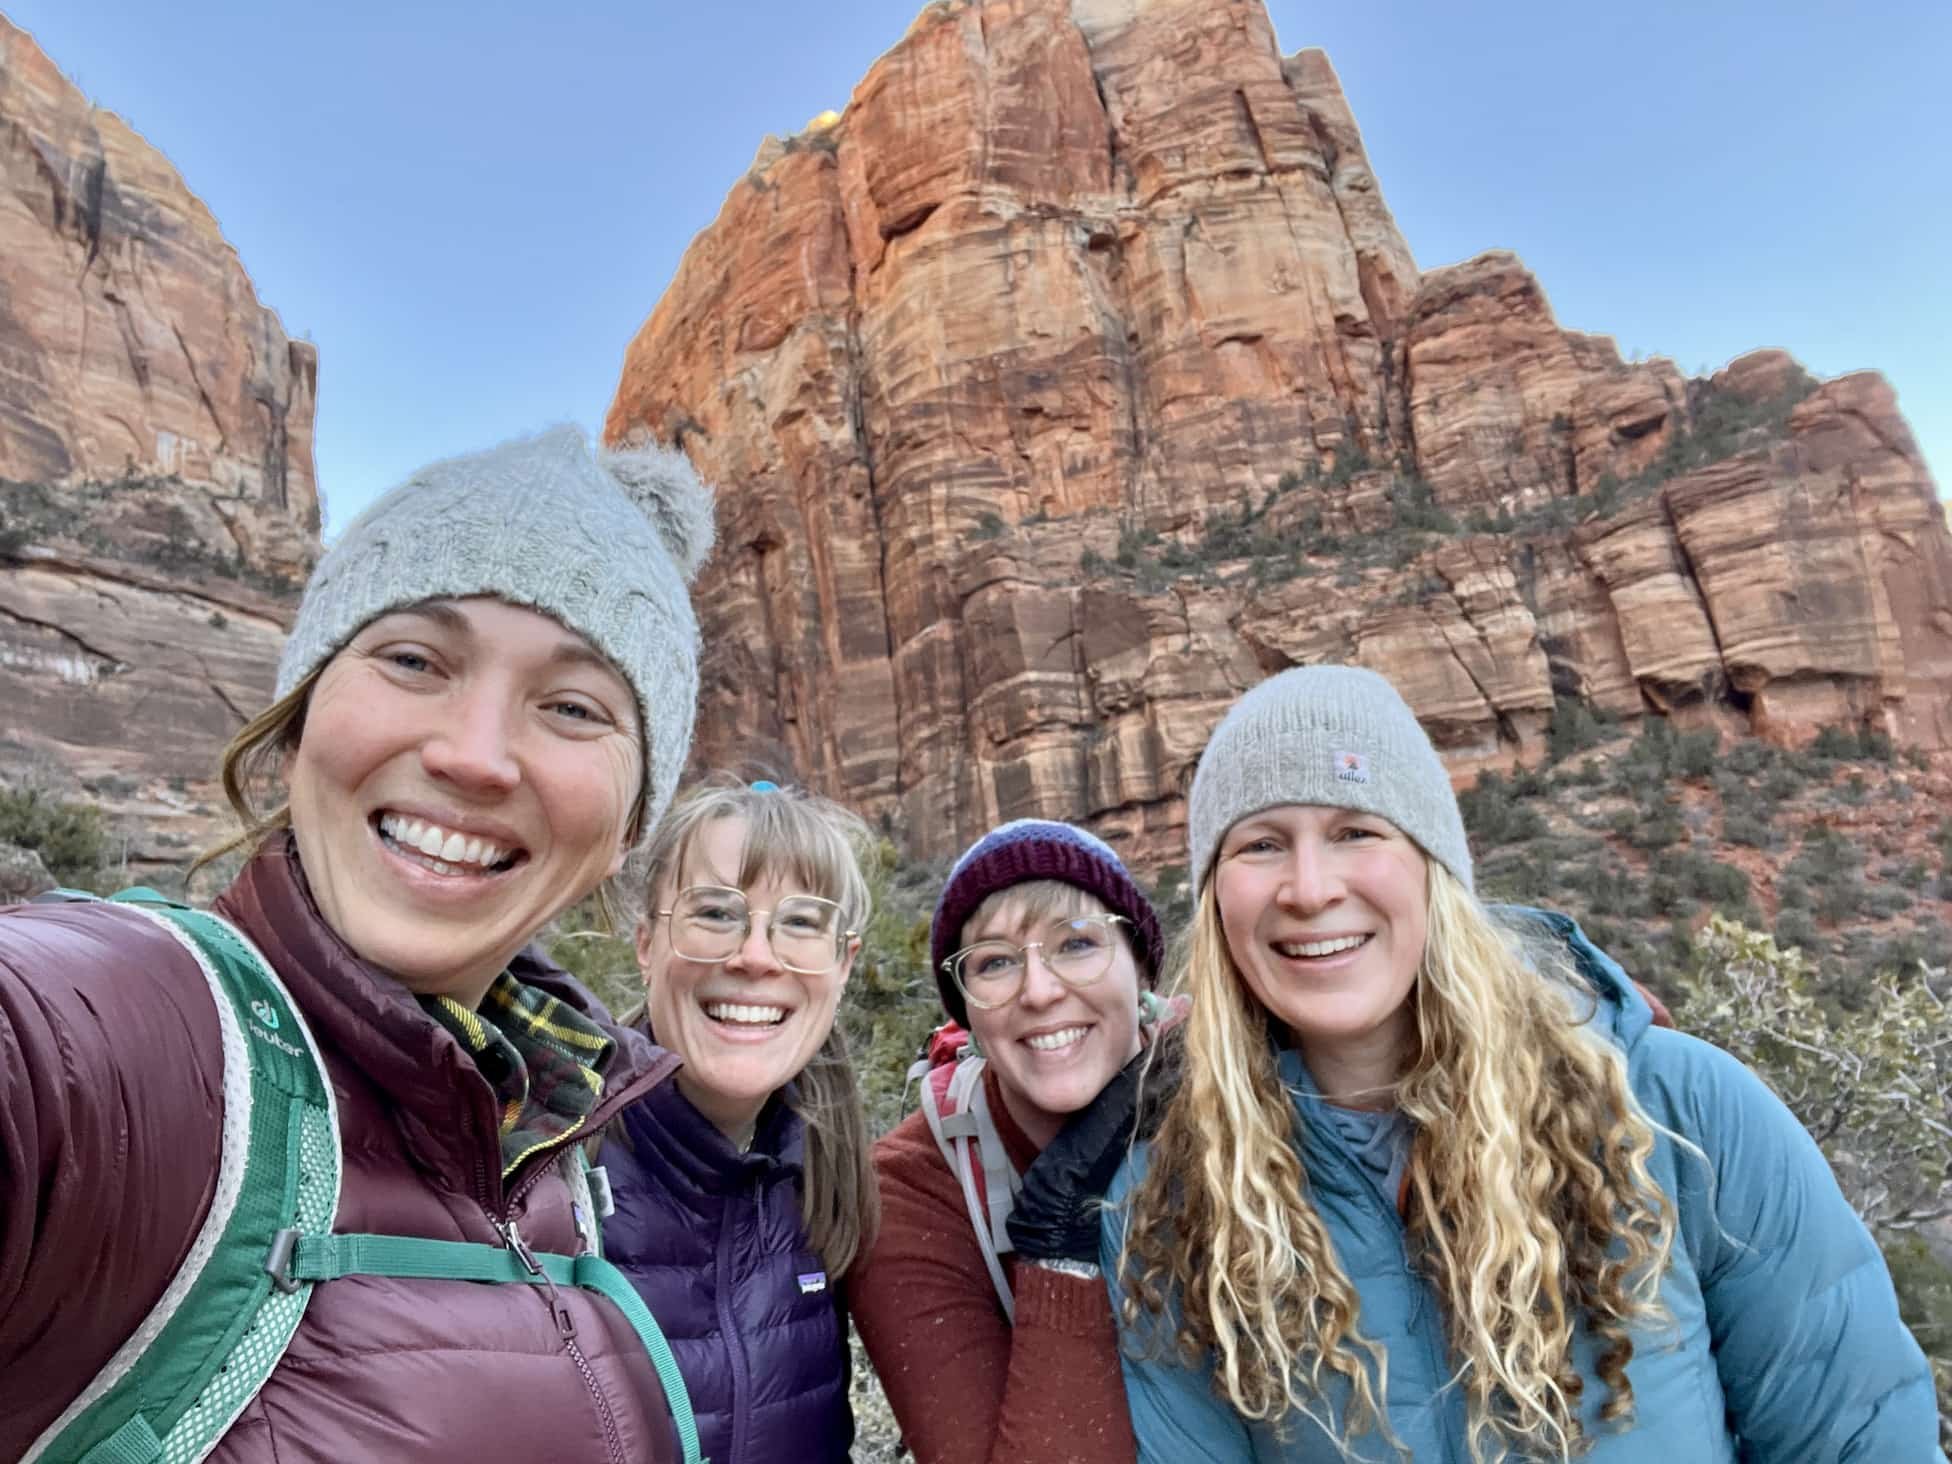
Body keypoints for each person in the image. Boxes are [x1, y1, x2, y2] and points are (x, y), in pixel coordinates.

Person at [0, 424, 717, 1463]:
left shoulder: (552, 1138)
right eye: (414, 659)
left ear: (625, 826)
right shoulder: (121, 1033)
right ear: (297, 724)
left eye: (570, 707)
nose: (473, 757)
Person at [1104, 665, 1943, 1463]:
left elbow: (1860, 1436)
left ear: (1435, 870)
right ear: (1217, 899)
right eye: (1260, 845)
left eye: (1356, 830)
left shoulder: (1680, 1112)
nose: (1310, 887)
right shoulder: (1169, 1201)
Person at [852, 819, 1171, 1464]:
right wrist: (1059, 1236)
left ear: (1139, 967)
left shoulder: (1247, 1106)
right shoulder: (909, 1191)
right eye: (995, 962)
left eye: (1078, 944)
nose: (1041, 991)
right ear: (965, 1008)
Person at [599, 776, 876, 1464]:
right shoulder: (542, 1169)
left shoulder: (831, 1180)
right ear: (645, 943)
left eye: (802, 922)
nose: (755, 955)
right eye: (716, 913)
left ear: (843, 964)